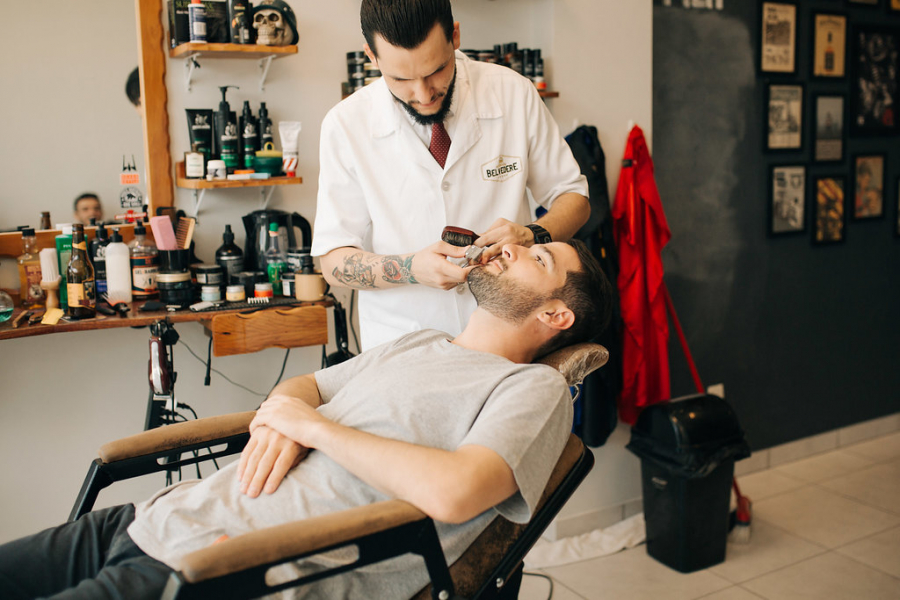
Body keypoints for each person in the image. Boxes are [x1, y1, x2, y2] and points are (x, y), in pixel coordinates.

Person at [0, 239, 611, 600]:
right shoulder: (422, 343)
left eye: (537, 256)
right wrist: (279, 416)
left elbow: (456, 493)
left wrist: (311, 428)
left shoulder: (533, 389)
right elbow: (306, 386)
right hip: (156, 518)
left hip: (221, 565)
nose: (509, 246)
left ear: (557, 316)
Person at [312, 0, 590, 350]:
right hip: (402, 347)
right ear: (372, 56)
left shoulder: (512, 93)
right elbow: (333, 261)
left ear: (455, 36)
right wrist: (411, 268)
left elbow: (575, 199)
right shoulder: (346, 125)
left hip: (509, 344)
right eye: (400, 78)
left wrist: (532, 234)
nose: (423, 94)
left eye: (435, 71)